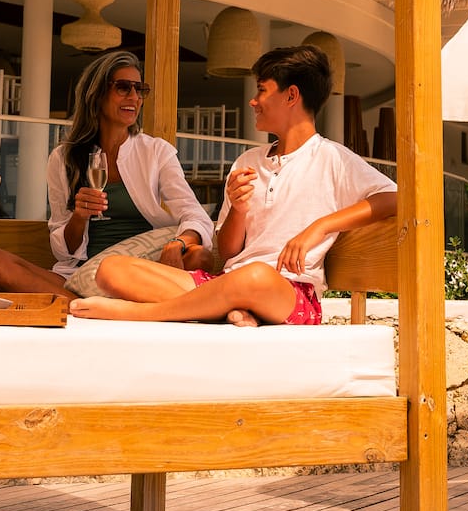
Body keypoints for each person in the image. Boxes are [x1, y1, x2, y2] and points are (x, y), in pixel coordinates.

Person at [72, 44, 396, 326]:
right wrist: (238, 211)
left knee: (255, 276)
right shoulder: (246, 162)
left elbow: (395, 198)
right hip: (226, 281)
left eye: (262, 90)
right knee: (112, 270)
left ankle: (140, 314)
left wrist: (319, 228)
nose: (253, 101)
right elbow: (227, 253)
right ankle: (229, 308)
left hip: (287, 292)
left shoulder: (331, 158)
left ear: (291, 95)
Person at [0, 50, 216, 298]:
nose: (134, 97)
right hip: (78, 274)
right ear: (96, 95)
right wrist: (79, 216)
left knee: (198, 256)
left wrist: (179, 243)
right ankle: (85, 303)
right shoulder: (64, 159)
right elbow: (63, 251)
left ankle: (80, 305)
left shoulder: (155, 152)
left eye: (140, 90)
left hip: (139, 272)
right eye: (124, 87)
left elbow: (195, 216)